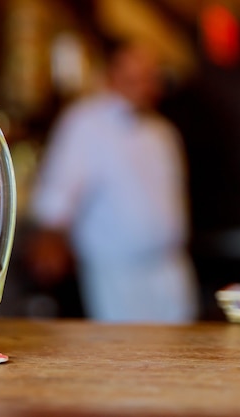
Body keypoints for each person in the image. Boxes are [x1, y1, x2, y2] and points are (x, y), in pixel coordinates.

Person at [30, 39, 198, 323]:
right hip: (117, 273)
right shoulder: (85, 122)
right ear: (111, 75)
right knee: (124, 356)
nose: (145, 84)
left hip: (171, 268)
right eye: (135, 75)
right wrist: (51, 239)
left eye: (150, 76)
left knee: (181, 357)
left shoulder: (163, 132)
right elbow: (58, 194)